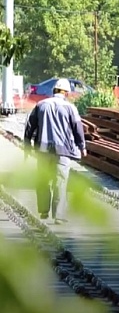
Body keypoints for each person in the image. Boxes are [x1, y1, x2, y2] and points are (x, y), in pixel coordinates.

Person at [23, 78, 87, 225]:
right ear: (66, 93)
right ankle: (59, 216)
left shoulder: (41, 105)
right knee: (60, 181)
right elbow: (78, 128)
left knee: (43, 180)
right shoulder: (71, 108)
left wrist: (27, 146)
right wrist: (82, 147)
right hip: (62, 151)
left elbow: (29, 127)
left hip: (43, 150)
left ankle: (44, 210)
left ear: (54, 91)